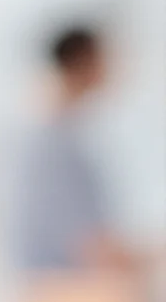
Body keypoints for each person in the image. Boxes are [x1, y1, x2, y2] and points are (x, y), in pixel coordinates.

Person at [13, 24, 140, 275]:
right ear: (83, 61)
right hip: (59, 286)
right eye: (106, 58)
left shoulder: (55, 132)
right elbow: (89, 245)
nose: (114, 68)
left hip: (59, 279)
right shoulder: (51, 143)